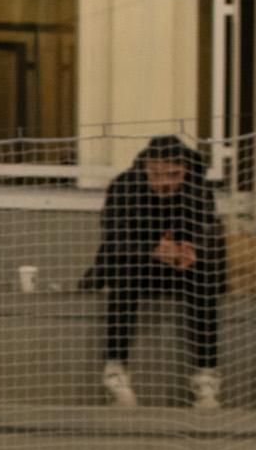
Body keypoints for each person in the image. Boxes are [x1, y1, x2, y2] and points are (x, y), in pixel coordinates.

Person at [80, 135, 224, 409]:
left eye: (173, 174)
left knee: (205, 279)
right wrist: (153, 249)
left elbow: (209, 230)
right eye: (156, 175)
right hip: (137, 264)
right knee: (124, 275)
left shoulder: (199, 189)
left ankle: (206, 377)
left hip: (180, 269)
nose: (165, 183)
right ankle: (116, 370)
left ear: (186, 170)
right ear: (145, 167)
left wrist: (190, 249)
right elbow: (114, 239)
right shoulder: (124, 186)